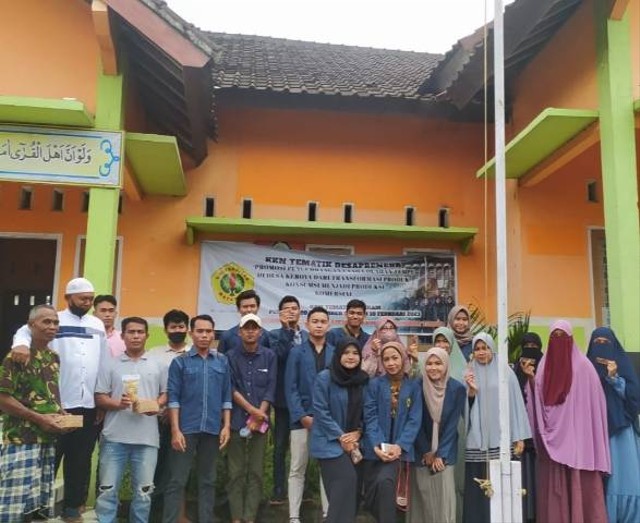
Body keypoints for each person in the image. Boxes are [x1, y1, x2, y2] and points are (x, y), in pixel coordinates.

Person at [11, 277, 106, 522]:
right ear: (68, 298)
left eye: (90, 298)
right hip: (57, 405)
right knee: (49, 458)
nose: (87, 302)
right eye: (82, 298)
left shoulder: (97, 324)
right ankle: (38, 509)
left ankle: (73, 508)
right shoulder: (54, 321)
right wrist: (20, 344)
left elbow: (103, 362)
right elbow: (24, 329)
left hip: (87, 406)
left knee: (81, 459)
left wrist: (100, 399)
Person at [529, 320, 610, 523]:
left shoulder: (585, 368)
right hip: (552, 443)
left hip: (580, 446)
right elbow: (537, 403)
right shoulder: (543, 368)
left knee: (580, 485)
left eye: (562, 336)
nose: (558, 340)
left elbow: (596, 407)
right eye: (554, 336)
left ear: (571, 339)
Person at [0, 305, 69, 522]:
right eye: (46, 322)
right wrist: (39, 418)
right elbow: (2, 398)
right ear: (31, 326)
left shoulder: (53, 357)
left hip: (46, 440)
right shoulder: (17, 356)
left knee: (35, 505)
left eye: (56, 322)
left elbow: (48, 395)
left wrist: (62, 415)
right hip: (21, 439)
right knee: (12, 506)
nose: (52, 327)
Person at [94, 317, 166, 523]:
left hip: (147, 439)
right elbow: (100, 396)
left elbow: (166, 393)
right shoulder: (110, 364)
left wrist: (154, 405)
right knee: (107, 490)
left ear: (147, 335)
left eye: (140, 332)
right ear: (123, 335)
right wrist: (118, 404)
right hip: (114, 438)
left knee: (143, 493)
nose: (136, 336)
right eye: (131, 332)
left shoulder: (158, 364)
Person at [163, 314, 232, 523]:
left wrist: (226, 426)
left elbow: (226, 397)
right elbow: (173, 399)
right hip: (185, 430)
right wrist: (175, 430)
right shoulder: (180, 362)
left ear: (213, 334)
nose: (204, 335)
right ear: (191, 333)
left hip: (212, 429)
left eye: (208, 331)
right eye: (200, 331)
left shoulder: (222, 361)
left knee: (208, 481)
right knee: (177, 480)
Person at [462, 332, 530, 523]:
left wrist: (519, 437)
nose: (481, 352)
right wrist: (471, 393)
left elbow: (516, 403)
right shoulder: (467, 373)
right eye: (477, 348)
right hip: (475, 443)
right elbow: (462, 409)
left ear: (492, 349)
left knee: (501, 490)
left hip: (501, 440)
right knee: (477, 491)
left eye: (485, 348)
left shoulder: (505, 372)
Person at [362, 341, 422, 522]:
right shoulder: (374, 385)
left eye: (395, 358)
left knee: (386, 485)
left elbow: (414, 420)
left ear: (403, 358)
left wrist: (399, 446)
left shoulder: (413, 386)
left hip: (400, 453)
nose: (391, 363)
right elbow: (370, 417)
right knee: (374, 495)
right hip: (376, 451)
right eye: (386, 359)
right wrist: (379, 446)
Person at [311, 337, 369, 523]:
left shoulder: (362, 380)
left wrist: (359, 432)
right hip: (329, 444)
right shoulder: (325, 377)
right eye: (346, 353)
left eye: (355, 353)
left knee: (350, 494)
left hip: (355, 445)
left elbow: (367, 411)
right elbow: (321, 411)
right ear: (338, 355)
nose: (351, 357)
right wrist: (341, 437)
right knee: (346, 481)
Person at [285, 306, 335, 523]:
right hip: (301, 420)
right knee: (297, 468)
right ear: (307, 325)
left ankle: (328, 513)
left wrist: (328, 417)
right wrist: (301, 415)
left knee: (328, 469)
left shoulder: (336, 351)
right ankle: (294, 516)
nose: (318, 325)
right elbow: (290, 387)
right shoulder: (297, 351)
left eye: (323, 321)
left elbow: (339, 387)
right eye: (314, 321)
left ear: (329, 325)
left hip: (328, 420)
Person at [226, 314, 277, 523]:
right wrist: (251, 410)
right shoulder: (229, 356)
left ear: (260, 332)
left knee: (256, 472)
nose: (250, 331)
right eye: (246, 328)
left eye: (254, 328)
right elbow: (230, 388)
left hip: (261, 422)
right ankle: (236, 517)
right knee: (235, 472)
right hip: (237, 421)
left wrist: (260, 414)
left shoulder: (269, 356)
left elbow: (271, 387)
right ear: (239, 332)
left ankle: (250, 517)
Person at [586, 327, 640, 523]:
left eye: (605, 342)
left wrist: (614, 378)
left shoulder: (624, 368)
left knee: (624, 479)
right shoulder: (586, 371)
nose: (601, 347)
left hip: (621, 430)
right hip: (595, 433)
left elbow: (634, 399)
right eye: (597, 343)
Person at [409, 347, 466, 523]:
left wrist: (441, 454)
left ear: (446, 365)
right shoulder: (416, 385)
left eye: (438, 363)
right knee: (422, 497)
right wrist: (426, 451)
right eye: (429, 363)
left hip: (445, 450)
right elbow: (414, 422)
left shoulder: (457, 388)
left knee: (445, 496)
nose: (433, 368)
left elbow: (452, 424)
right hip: (421, 449)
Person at [147, 309, 191, 521]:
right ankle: (154, 513)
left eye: (181, 326)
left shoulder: (194, 352)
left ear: (187, 329)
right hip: (157, 420)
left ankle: (177, 516)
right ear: (165, 330)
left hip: (186, 422)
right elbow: (151, 385)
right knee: (156, 468)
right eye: (173, 327)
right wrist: (162, 409)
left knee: (179, 472)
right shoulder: (154, 354)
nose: (177, 330)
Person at [267, 295, 308, 505]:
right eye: (286, 309)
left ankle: (305, 491)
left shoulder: (309, 336)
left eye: (295, 308)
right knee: (281, 446)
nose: (291, 311)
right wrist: (286, 330)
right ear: (280, 313)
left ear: (301, 311)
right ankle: (278, 490)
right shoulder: (274, 336)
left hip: (306, 402)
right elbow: (279, 357)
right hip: (283, 401)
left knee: (307, 447)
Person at [514, 332, 544, 523]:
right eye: (527, 346)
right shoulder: (513, 371)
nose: (530, 350)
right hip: (521, 439)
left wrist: (533, 379)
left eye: (534, 346)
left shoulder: (547, 369)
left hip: (542, 438)